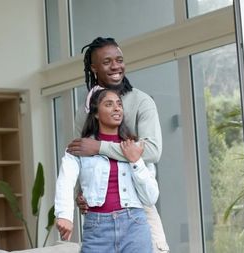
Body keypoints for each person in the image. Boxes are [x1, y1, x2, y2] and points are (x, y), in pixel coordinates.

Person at [67, 37, 170, 252]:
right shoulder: (84, 111)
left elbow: (152, 151)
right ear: (94, 68)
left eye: (119, 60)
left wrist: (99, 148)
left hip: (139, 206)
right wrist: (80, 193)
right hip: (100, 214)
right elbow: (78, 155)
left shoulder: (142, 102)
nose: (115, 66)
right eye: (107, 62)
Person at [55, 89, 159, 253]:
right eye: (109, 104)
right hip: (96, 229)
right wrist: (64, 215)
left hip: (135, 226)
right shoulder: (80, 147)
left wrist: (136, 161)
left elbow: (151, 197)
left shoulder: (135, 148)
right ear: (96, 113)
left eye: (119, 104)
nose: (117, 108)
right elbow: (65, 181)